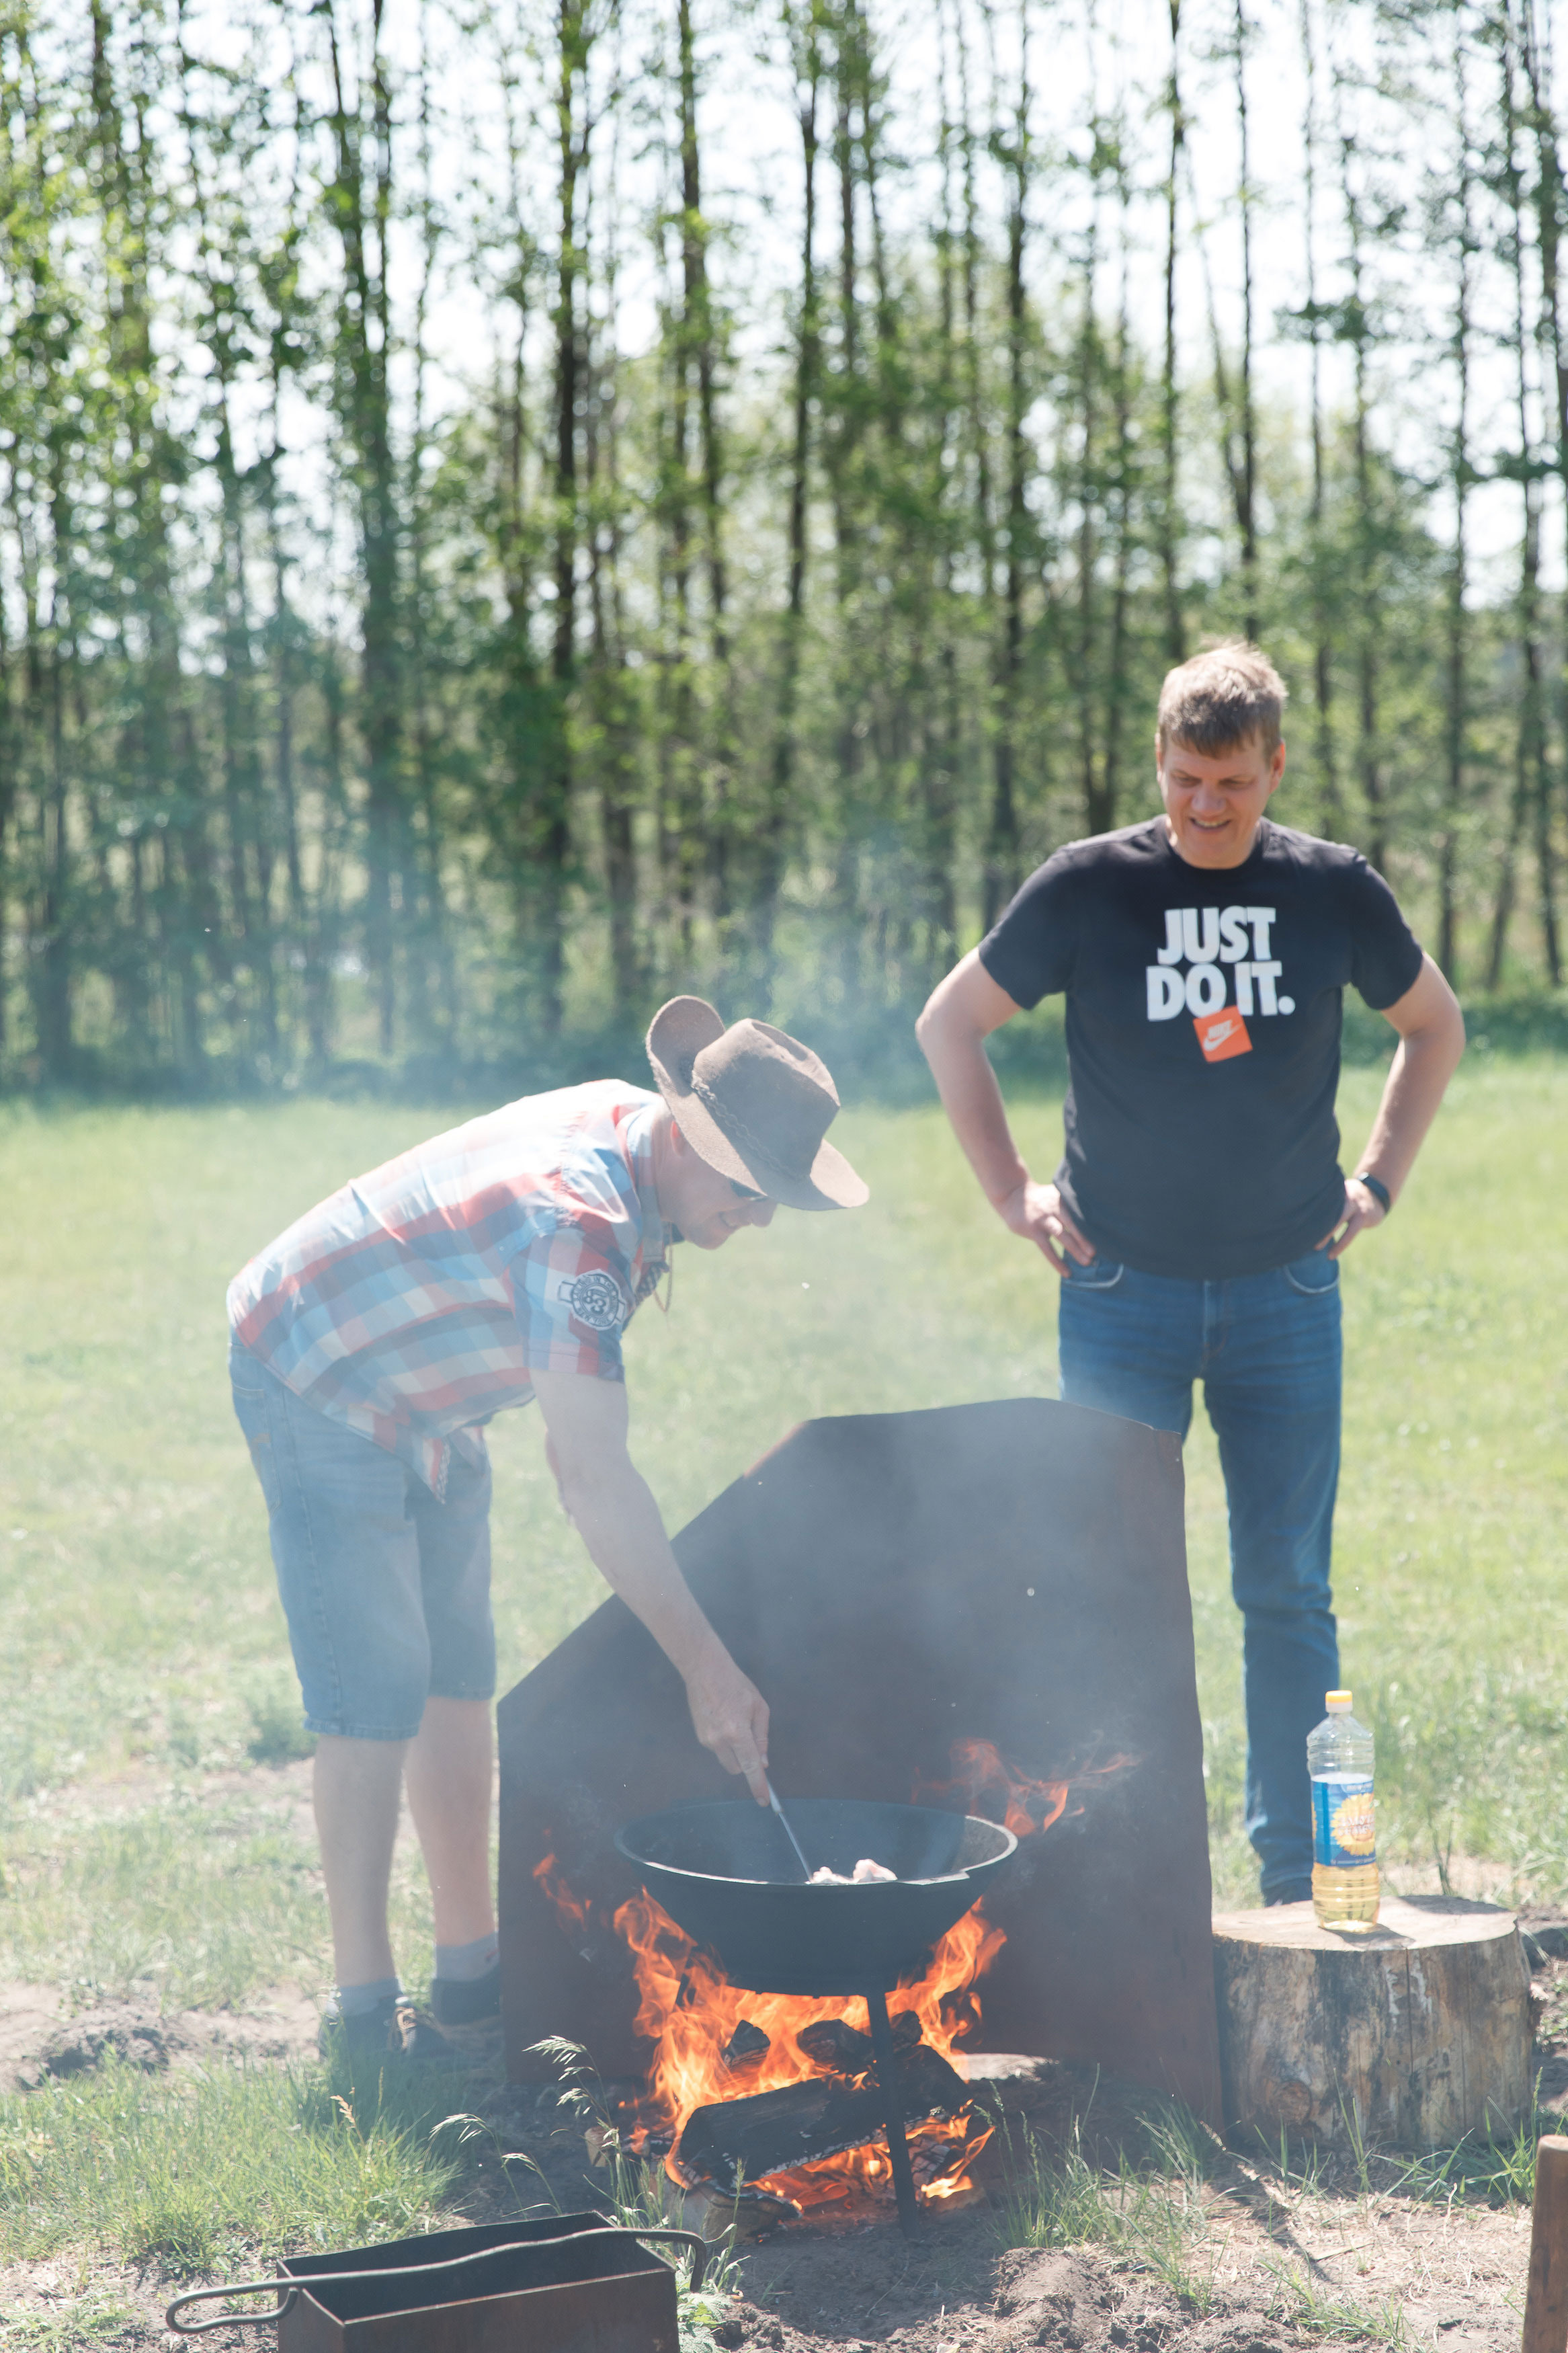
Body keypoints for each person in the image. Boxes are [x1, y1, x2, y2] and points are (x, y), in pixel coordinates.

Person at [917, 643, 1464, 1904]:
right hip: (1121, 1296)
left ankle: (1296, 1877)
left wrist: (1377, 1184)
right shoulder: (1087, 887)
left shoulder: (1331, 889)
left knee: (1286, 1594)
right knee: (1106, 1591)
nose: (1204, 806)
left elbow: (1431, 1025)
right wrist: (1009, 1193)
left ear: (1275, 765)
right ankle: (1126, 1887)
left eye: (1231, 782)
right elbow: (949, 1024)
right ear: (1157, 761)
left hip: (1287, 1293)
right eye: (1183, 780)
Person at [227, 997, 867, 2056]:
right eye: (750, 1189)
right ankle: (363, 2019)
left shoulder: (634, 1146)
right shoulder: (578, 1226)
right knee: (371, 1696)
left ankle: (471, 1980)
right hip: (319, 1366)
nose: (759, 1220)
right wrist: (707, 1671)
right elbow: (591, 1478)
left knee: (454, 1677)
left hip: (434, 1394)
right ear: (689, 1139)